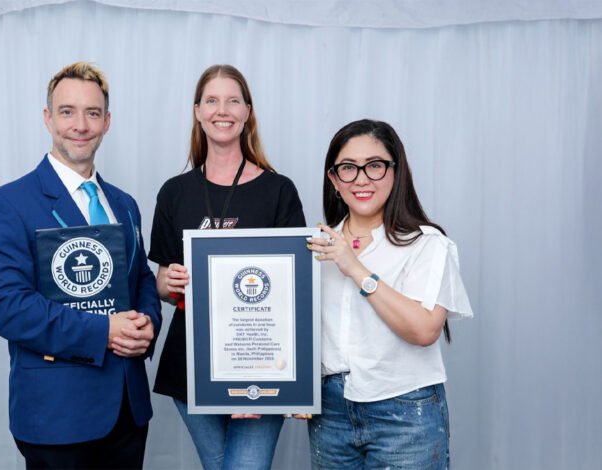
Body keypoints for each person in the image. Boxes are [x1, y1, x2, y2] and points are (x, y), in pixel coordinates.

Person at [0, 61, 161, 469]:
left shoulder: (124, 204)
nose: (80, 124)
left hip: (128, 411)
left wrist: (148, 322)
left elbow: (142, 280)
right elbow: (7, 306)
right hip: (57, 416)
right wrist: (105, 331)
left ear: (107, 122)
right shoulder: (9, 203)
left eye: (92, 113)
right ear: (48, 118)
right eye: (67, 111)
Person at [149, 64, 306, 469]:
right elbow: (161, 286)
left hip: (261, 362)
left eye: (233, 100)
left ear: (248, 111)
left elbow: (294, 289)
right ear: (198, 111)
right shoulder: (174, 192)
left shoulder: (278, 190)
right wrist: (169, 281)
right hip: (191, 361)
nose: (223, 110)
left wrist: (252, 382)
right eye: (212, 100)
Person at [305, 119, 473, 469]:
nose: (362, 178)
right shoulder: (314, 248)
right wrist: (293, 384)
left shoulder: (427, 245)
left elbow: (425, 330)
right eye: (348, 168)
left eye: (375, 166)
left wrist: (356, 269)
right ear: (334, 180)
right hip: (330, 413)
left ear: (396, 173)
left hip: (405, 412)